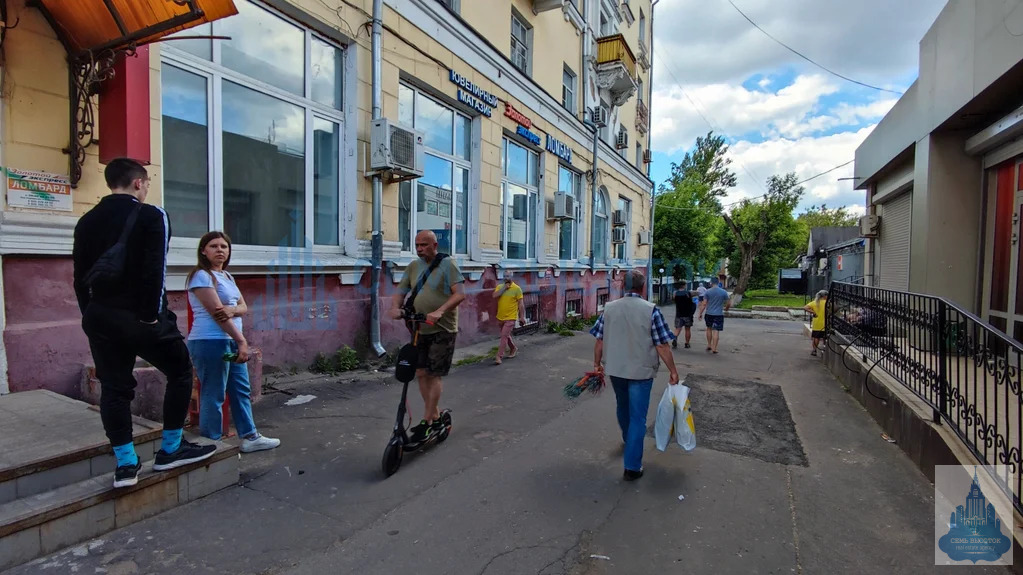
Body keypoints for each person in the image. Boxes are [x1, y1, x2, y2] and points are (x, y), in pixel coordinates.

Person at [73, 158, 216, 488]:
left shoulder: (86, 221)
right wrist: (152, 316)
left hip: (100, 315)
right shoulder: (153, 215)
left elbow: (79, 277)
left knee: (114, 387)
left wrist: (89, 314)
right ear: (138, 183)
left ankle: (125, 465)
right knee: (180, 370)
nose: (147, 187)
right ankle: (170, 449)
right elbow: (155, 271)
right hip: (140, 314)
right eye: (147, 182)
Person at [186, 231, 280, 452]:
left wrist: (233, 310)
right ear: (203, 251)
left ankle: (250, 436)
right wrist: (241, 341)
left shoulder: (227, 277)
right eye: (214, 246)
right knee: (214, 392)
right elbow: (217, 313)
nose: (220, 250)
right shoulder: (201, 276)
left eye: (224, 247)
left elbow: (243, 307)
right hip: (211, 342)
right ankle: (212, 443)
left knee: (240, 389)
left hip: (231, 341)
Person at [590, 269, 680, 481]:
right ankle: (632, 467)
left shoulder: (609, 309)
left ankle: (628, 438)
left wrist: (596, 363)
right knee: (638, 417)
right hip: (641, 372)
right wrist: (673, 371)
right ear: (642, 287)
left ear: (623, 286)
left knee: (623, 406)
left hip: (616, 370)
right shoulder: (651, 310)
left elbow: (599, 340)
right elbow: (662, 345)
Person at [389, 230, 466, 444]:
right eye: (417, 245)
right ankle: (435, 415)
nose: (420, 249)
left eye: (424, 245)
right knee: (422, 373)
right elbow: (401, 290)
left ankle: (427, 421)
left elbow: (459, 293)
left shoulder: (448, 264)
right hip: (419, 328)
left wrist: (440, 311)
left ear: (434, 245)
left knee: (434, 373)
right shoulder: (414, 266)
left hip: (443, 328)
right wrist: (395, 307)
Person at [492, 272, 525, 365]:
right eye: (504, 276)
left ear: (512, 277)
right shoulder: (500, 287)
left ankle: (499, 356)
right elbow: (494, 296)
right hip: (500, 317)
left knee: (503, 336)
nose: (506, 277)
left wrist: (521, 317)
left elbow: (521, 304)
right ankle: (513, 348)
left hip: (511, 317)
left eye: (508, 276)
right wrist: (504, 288)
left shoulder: (517, 289)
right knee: (505, 335)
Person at [697, 276, 731, 354]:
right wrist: (726, 309)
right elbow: (729, 303)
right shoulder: (723, 292)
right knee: (716, 331)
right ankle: (714, 348)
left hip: (709, 314)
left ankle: (709, 345)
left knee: (709, 329)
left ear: (711, 282)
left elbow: (704, 303)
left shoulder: (708, 292)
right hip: (719, 314)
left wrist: (700, 313)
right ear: (718, 282)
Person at [803, 290, 829, 357]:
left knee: (816, 337)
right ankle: (824, 350)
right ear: (825, 296)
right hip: (826, 323)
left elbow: (805, 307)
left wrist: (813, 312)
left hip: (817, 323)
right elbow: (835, 308)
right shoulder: (828, 303)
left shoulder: (815, 302)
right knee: (825, 338)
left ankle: (814, 350)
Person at [672, 285, 696, 349]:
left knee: (678, 328)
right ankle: (687, 343)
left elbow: (674, 298)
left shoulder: (676, 295)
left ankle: (674, 339)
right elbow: (696, 294)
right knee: (687, 329)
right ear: (684, 287)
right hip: (688, 315)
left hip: (679, 314)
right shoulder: (688, 294)